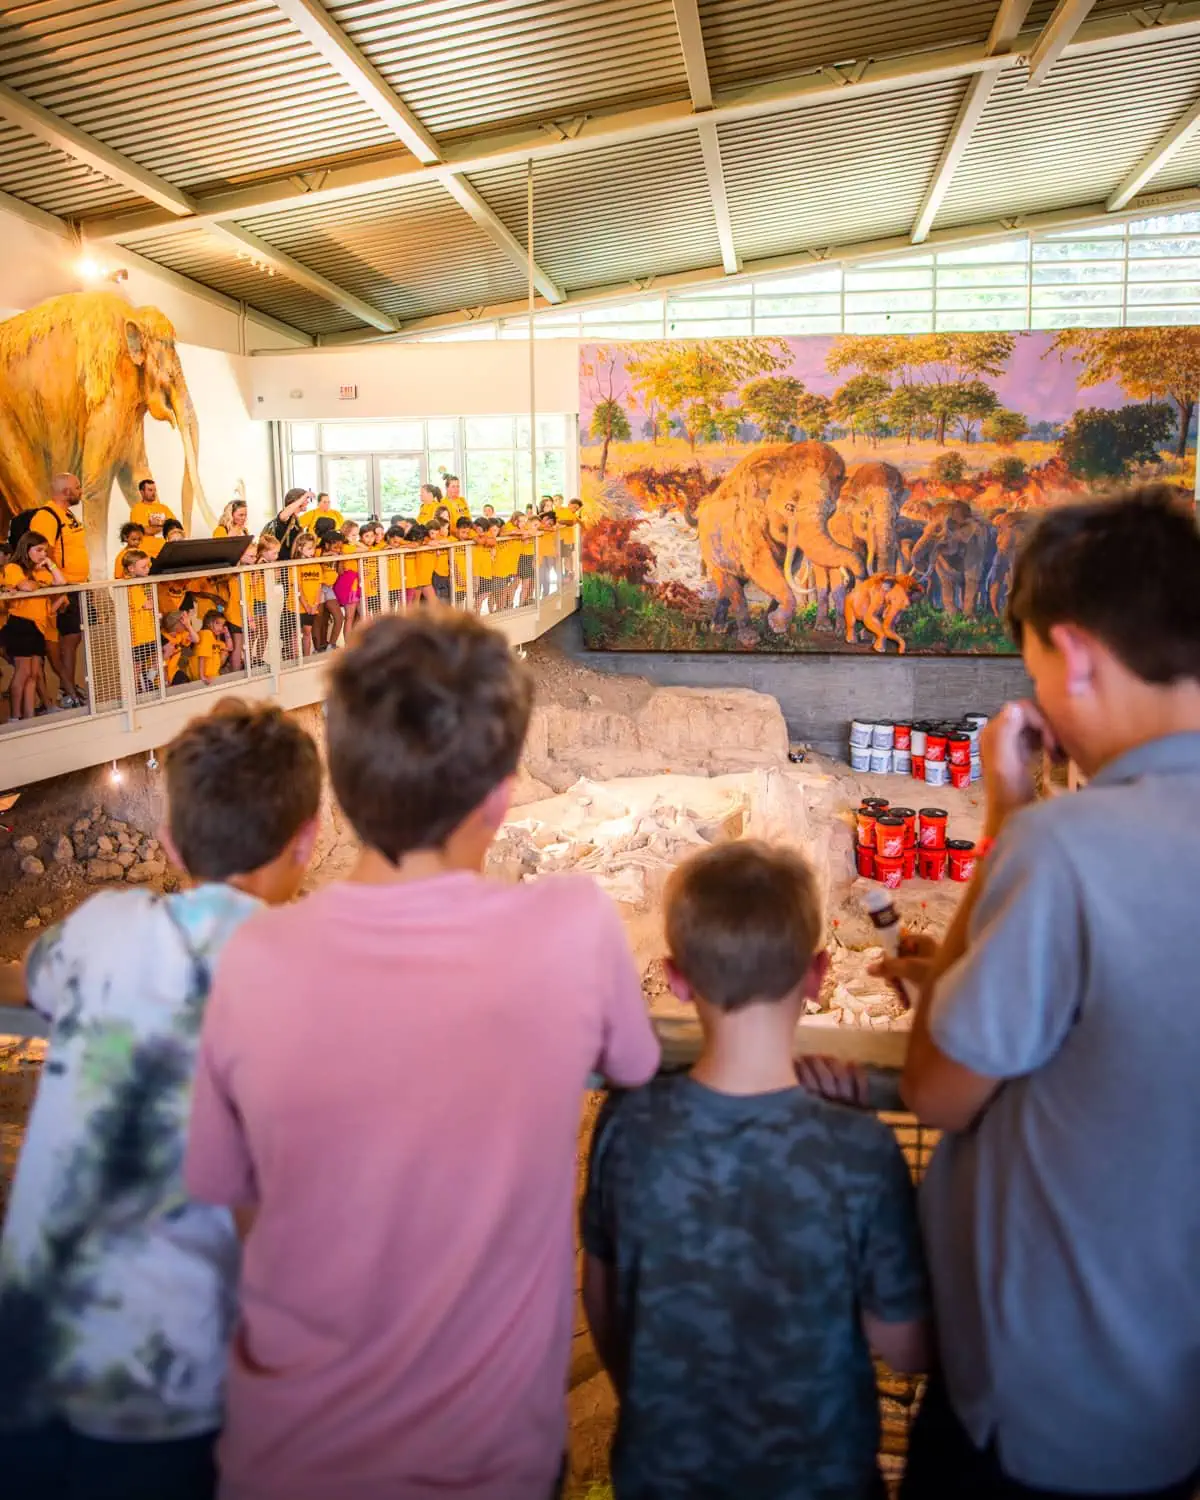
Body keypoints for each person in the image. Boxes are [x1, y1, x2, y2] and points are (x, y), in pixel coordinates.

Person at [185, 612, 660, 1500]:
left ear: (341, 790)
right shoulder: (573, 927)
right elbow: (636, 1069)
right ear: (501, 795)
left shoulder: (252, 962)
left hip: (285, 1449)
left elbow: (231, 1201)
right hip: (488, 1457)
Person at [894, 487, 1200, 1500]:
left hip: (1038, 1408)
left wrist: (1009, 815)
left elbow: (937, 1088)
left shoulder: (1066, 851)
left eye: (1031, 665)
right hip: (1166, 1403)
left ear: (1072, 655)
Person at [0, 700, 320, 1500]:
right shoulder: (303, 976)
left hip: (28, 1360)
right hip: (167, 1394)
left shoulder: (101, 926)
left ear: (171, 843)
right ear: (308, 839)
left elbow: (33, 981)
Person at [583, 840, 928, 1500]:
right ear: (819, 973)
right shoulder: (858, 1152)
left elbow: (603, 1302)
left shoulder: (627, 1128)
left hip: (664, 1469)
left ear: (677, 978)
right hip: (821, 1477)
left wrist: (650, 1404)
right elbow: (908, 1345)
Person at [30, 473, 87, 708]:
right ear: (66, 491)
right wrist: (58, 589)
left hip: (75, 585)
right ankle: (68, 688)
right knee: (57, 640)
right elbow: (45, 553)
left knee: (73, 637)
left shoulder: (67, 514)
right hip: (60, 587)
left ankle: (68, 686)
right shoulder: (47, 516)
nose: (80, 491)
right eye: (77, 487)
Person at [1, 531, 66, 720]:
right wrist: (41, 585)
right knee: (23, 673)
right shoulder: (14, 567)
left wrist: (50, 565)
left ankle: (29, 716)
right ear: (27, 549)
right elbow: (26, 587)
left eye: (45, 551)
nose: (43, 555)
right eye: (39, 550)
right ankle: (15, 716)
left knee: (34, 674)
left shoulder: (40, 570)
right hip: (21, 624)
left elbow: (60, 582)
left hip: (39, 626)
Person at [265, 488, 312, 559]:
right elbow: (284, 515)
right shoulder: (287, 516)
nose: (308, 502)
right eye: (305, 499)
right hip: (281, 563)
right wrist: (304, 497)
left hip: (290, 562)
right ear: (296, 501)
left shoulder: (296, 520)